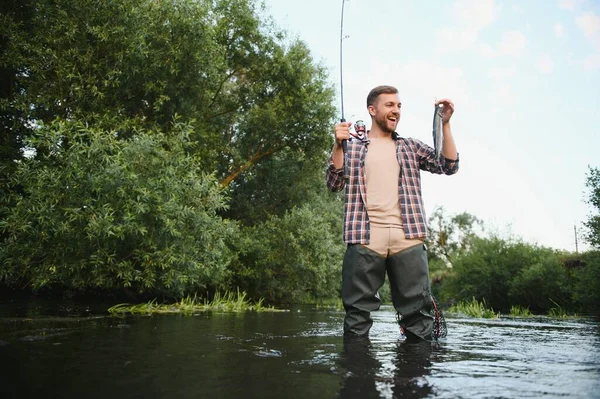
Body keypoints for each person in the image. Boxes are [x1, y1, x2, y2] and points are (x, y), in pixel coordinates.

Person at [326, 85, 459, 342]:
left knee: (419, 320)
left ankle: (414, 378)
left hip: (407, 238)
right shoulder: (351, 147)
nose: (395, 110)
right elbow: (334, 183)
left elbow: (448, 165)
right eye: (389, 105)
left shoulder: (410, 147)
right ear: (372, 110)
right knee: (356, 317)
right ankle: (357, 378)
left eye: (398, 106)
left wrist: (445, 124)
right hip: (365, 238)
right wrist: (337, 145)